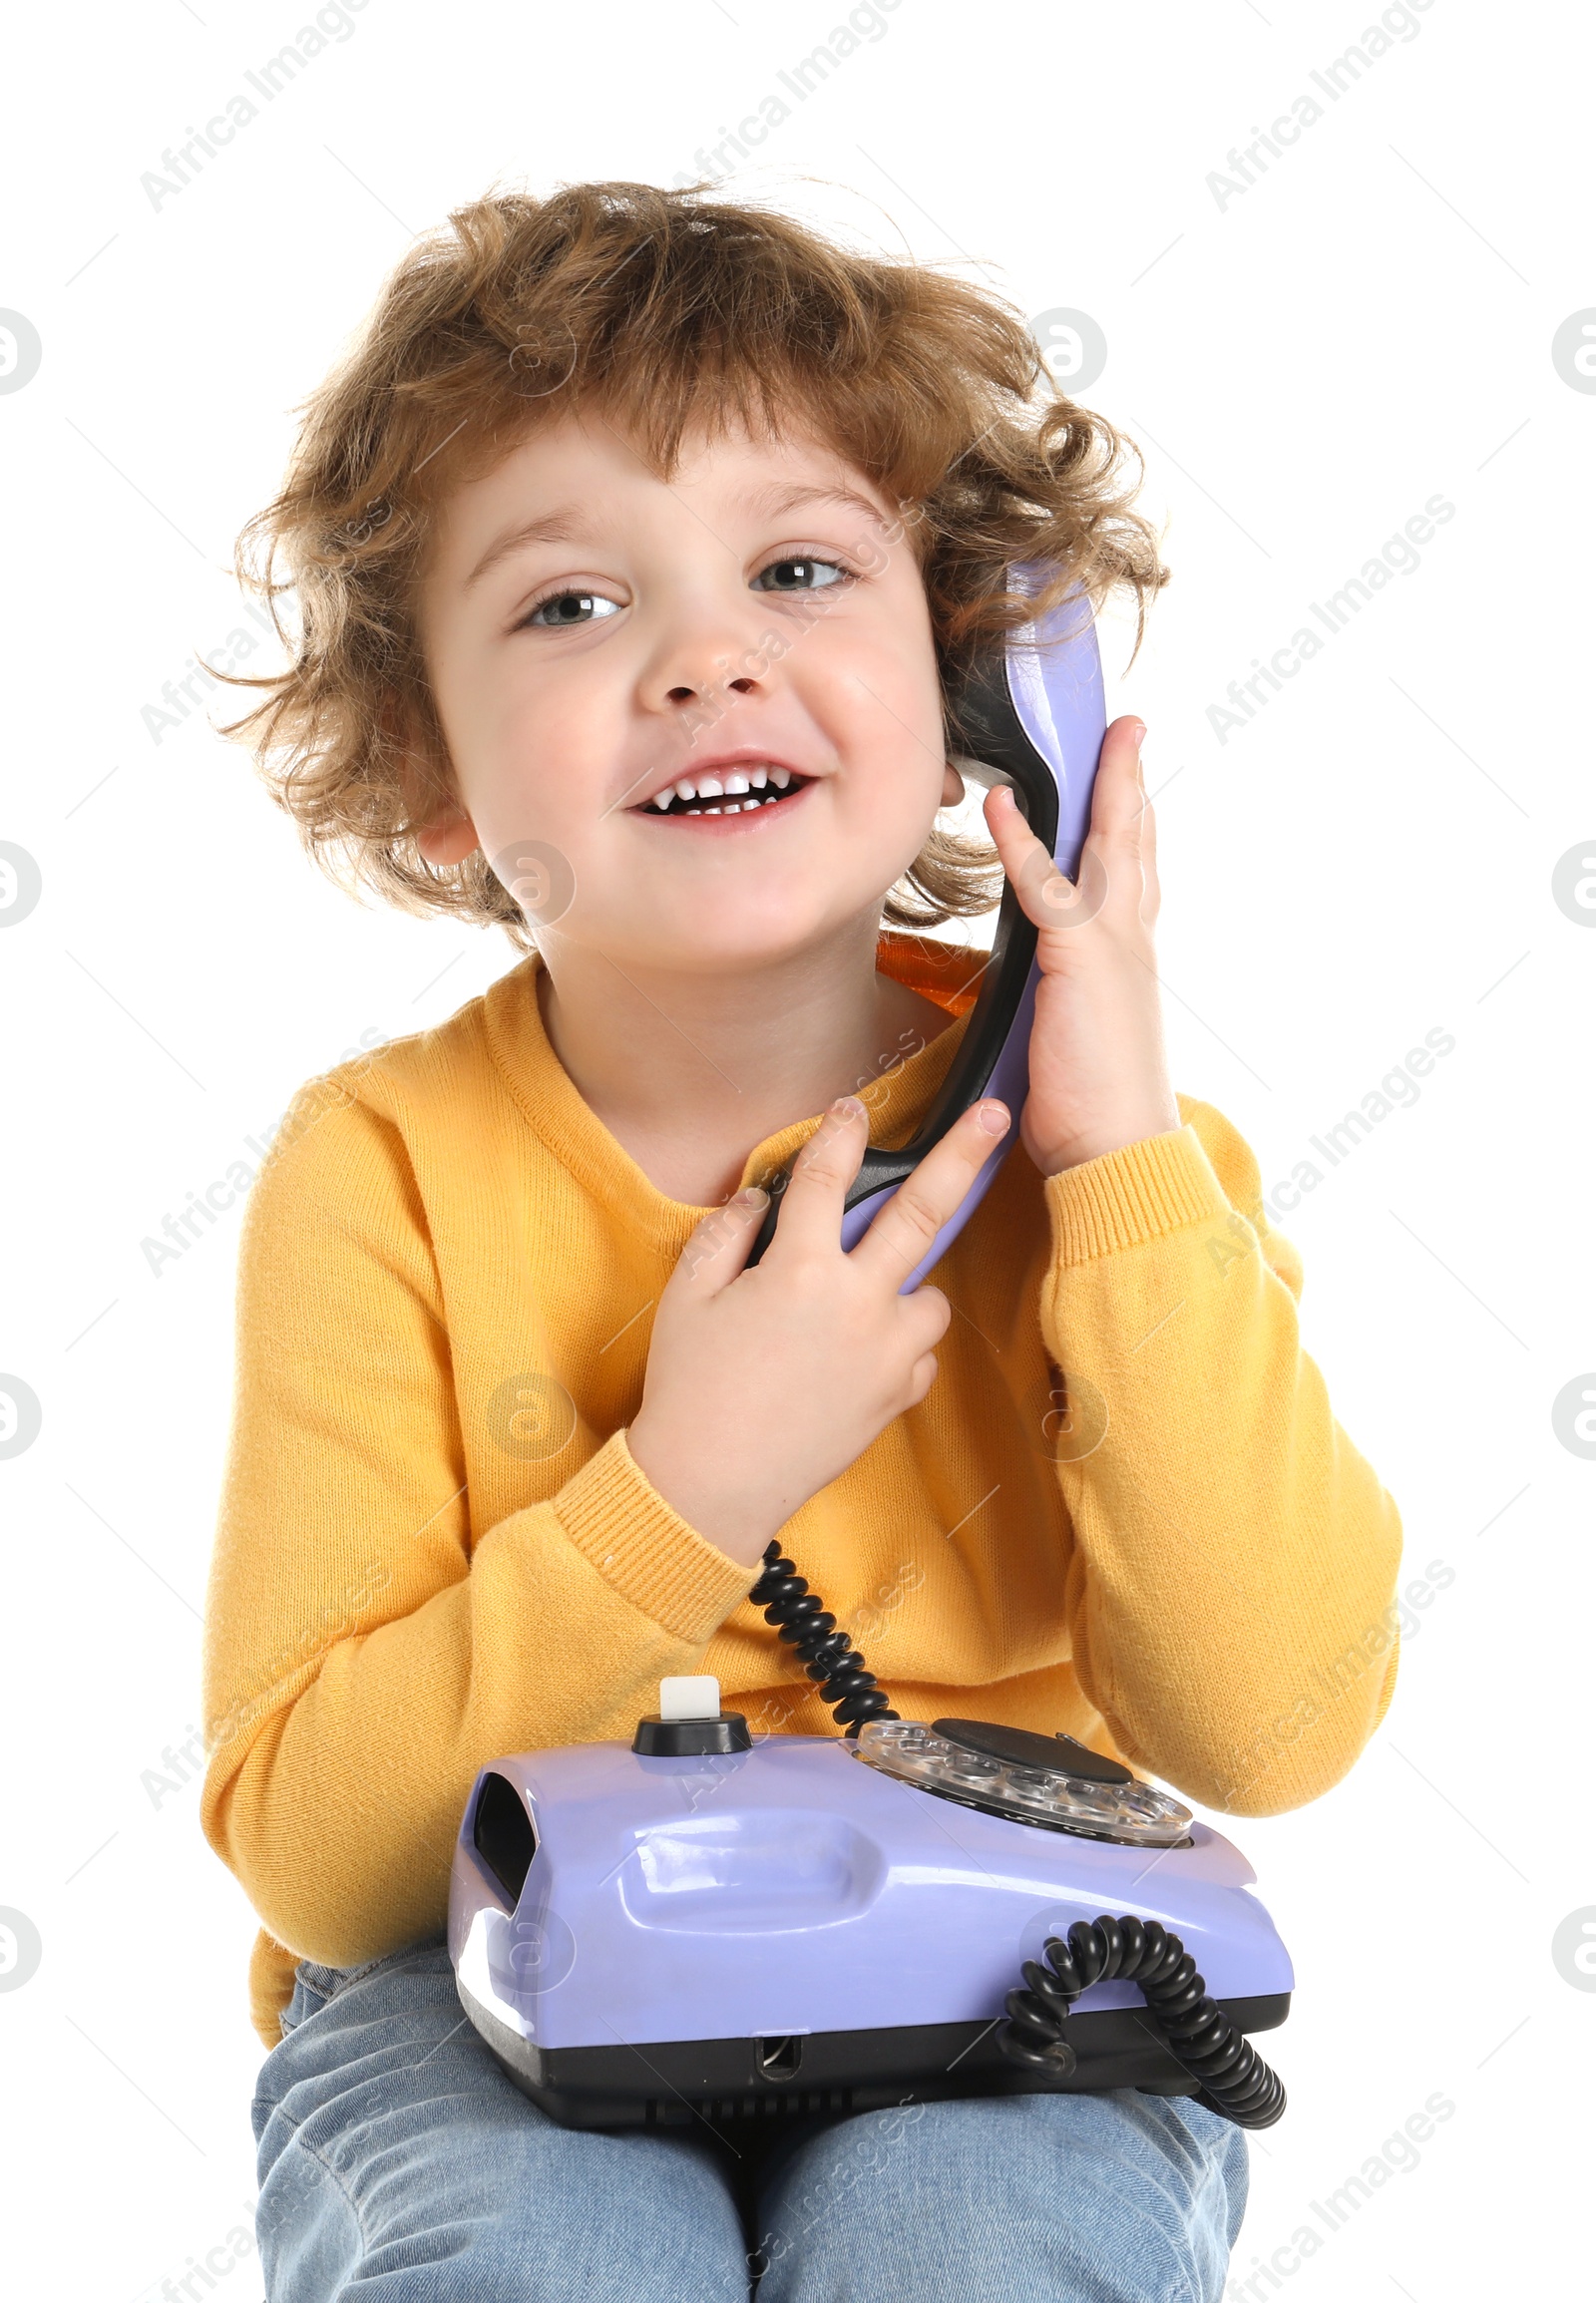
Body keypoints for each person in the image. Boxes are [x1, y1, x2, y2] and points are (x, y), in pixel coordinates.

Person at [200, 180, 1403, 2302]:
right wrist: (686, 1487)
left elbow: (1271, 1725)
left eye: (795, 569)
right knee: (552, 2263)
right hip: (487, 1973)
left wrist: (1106, 1147)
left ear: (966, 675)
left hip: (1004, 1956)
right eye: (570, 607)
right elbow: (319, 1855)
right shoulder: (377, 1168)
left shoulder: (1117, 1174)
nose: (705, 657)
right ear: (435, 771)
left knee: (967, 2247)